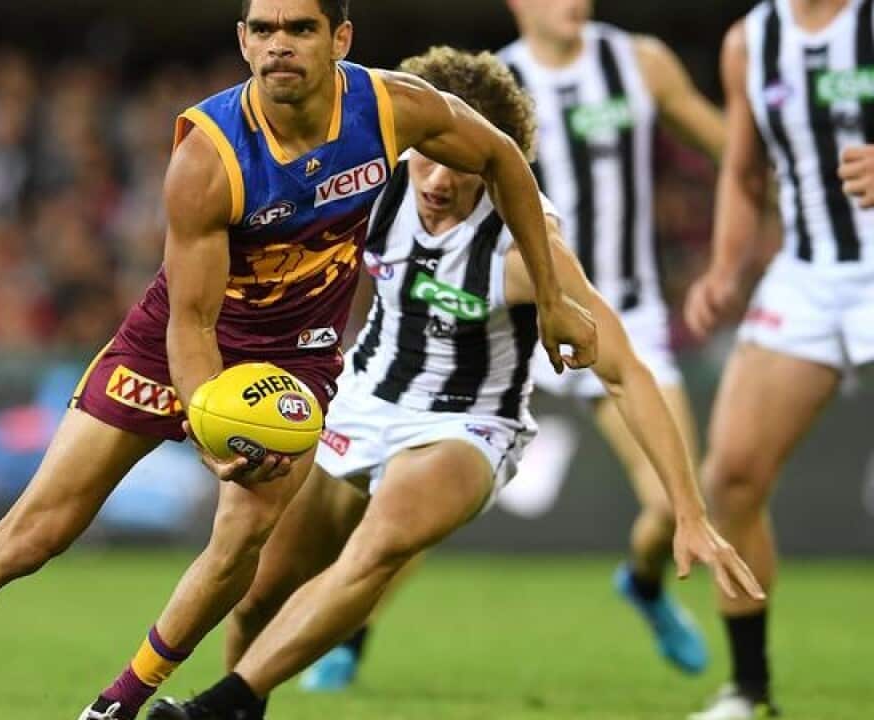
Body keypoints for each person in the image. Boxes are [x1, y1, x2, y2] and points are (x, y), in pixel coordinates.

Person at [0, 2, 598, 719]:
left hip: (293, 359)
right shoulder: (210, 157)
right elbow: (193, 322)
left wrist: (558, 302)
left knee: (241, 546)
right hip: (171, 348)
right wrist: (213, 426)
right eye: (263, 29)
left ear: (341, 40)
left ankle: (118, 704)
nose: (279, 45)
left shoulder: (392, 108)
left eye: (300, 28)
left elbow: (501, 158)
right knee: (34, 534)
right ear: (243, 42)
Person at [146, 45, 763, 720]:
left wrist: (690, 510)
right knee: (261, 593)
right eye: (426, 158)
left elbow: (625, 374)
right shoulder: (374, 189)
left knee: (377, 547)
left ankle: (218, 708)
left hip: (465, 427)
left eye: (460, 167)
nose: (437, 181)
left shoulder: (530, 249)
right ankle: (242, 710)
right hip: (359, 401)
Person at [300, 1, 731, 689]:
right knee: (413, 502)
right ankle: (353, 632)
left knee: (669, 501)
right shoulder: (491, 90)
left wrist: (750, 229)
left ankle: (645, 582)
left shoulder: (637, 63)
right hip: (493, 311)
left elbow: (727, 146)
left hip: (612, 308)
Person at [684, 0, 874, 717]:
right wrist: (726, 270)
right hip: (807, 275)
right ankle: (749, 688)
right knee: (730, 475)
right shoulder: (751, 40)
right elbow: (742, 171)